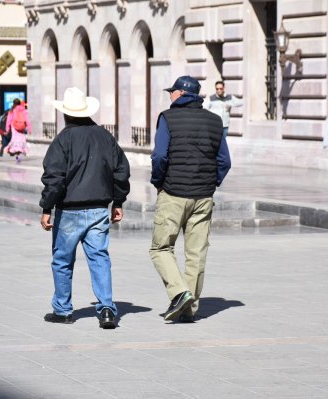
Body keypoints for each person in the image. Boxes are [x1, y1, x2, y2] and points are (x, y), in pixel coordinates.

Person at [39, 87, 130, 329]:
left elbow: (54, 177)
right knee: (99, 258)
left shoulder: (62, 140)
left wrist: (47, 207)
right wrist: (118, 201)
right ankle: (107, 309)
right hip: (99, 208)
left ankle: (63, 310)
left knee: (62, 261)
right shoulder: (105, 136)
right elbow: (121, 170)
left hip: (69, 210)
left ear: (66, 114)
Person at [149, 76, 231, 323]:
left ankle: (179, 293)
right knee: (196, 253)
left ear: (180, 94)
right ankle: (189, 309)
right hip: (203, 196)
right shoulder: (215, 121)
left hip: (173, 193)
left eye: (171, 92)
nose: (169, 96)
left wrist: (158, 181)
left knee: (160, 248)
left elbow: (160, 156)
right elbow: (225, 162)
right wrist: (212, 182)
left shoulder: (167, 118)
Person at [5, 99, 31, 163]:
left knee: (15, 139)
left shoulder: (12, 110)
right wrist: (29, 128)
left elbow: (9, 120)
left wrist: (7, 129)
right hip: (21, 127)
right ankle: (19, 154)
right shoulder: (24, 110)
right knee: (21, 139)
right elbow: (27, 120)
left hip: (14, 127)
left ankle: (14, 151)